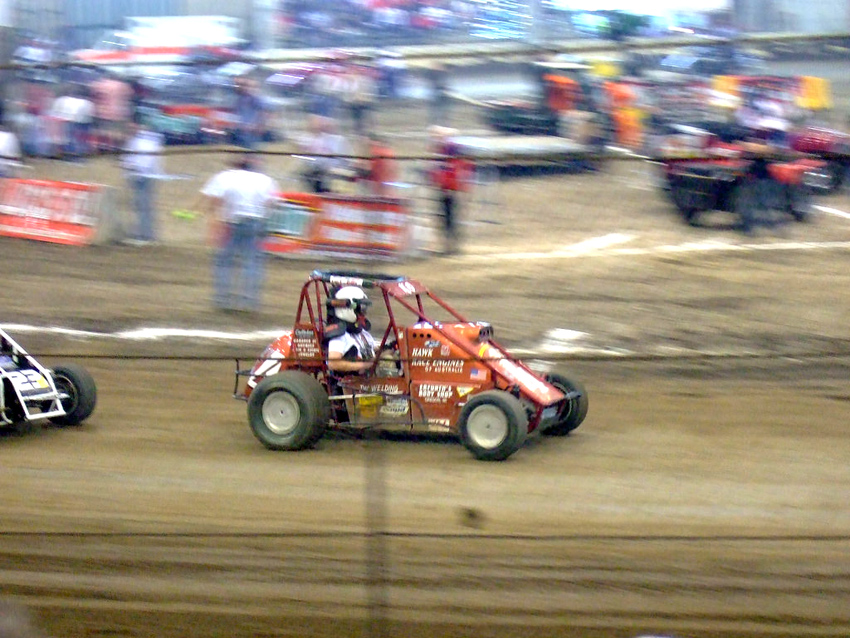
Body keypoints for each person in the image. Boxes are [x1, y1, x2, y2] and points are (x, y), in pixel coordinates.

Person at [199, 155, 279, 312]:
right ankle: (250, 301)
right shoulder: (265, 180)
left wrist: (216, 222)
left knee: (224, 261)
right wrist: (264, 217)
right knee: (252, 262)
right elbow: (272, 202)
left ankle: (222, 300)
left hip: (232, 221)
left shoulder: (227, 177)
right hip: (256, 222)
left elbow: (216, 200)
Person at [120, 120, 164, 245]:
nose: (129, 130)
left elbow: (144, 161)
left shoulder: (144, 141)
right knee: (140, 205)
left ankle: (145, 235)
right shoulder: (136, 140)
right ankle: (143, 232)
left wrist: (130, 166)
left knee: (143, 206)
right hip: (139, 176)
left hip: (143, 176)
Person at [428, 125, 470, 255]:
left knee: (450, 217)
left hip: (451, 188)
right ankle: (449, 245)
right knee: (445, 217)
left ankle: (452, 246)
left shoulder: (451, 150)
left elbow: (455, 169)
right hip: (445, 188)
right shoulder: (442, 150)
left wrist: (455, 186)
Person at [326, 286, 377, 375]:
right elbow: (333, 363)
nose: (364, 313)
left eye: (364, 309)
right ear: (349, 310)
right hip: (353, 380)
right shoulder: (340, 336)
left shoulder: (362, 333)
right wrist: (365, 366)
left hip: (371, 377)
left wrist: (391, 348)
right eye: (362, 309)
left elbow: (376, 350)